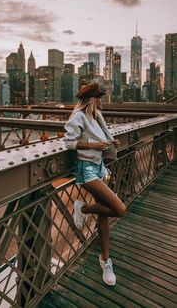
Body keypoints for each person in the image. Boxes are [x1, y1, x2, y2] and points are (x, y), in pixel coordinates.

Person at [64, 82, 126, 286]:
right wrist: (92, 145)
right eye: (100, 97)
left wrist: (111, 142)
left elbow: (101, 139)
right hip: (87, 169)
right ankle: (83, 208)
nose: (102, 101)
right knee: (119, 209)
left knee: (104, 215)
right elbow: (69, 142)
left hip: (99, 167)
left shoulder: (97, 117)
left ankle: (105, 261)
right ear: (92, 99)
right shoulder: (79, 116)